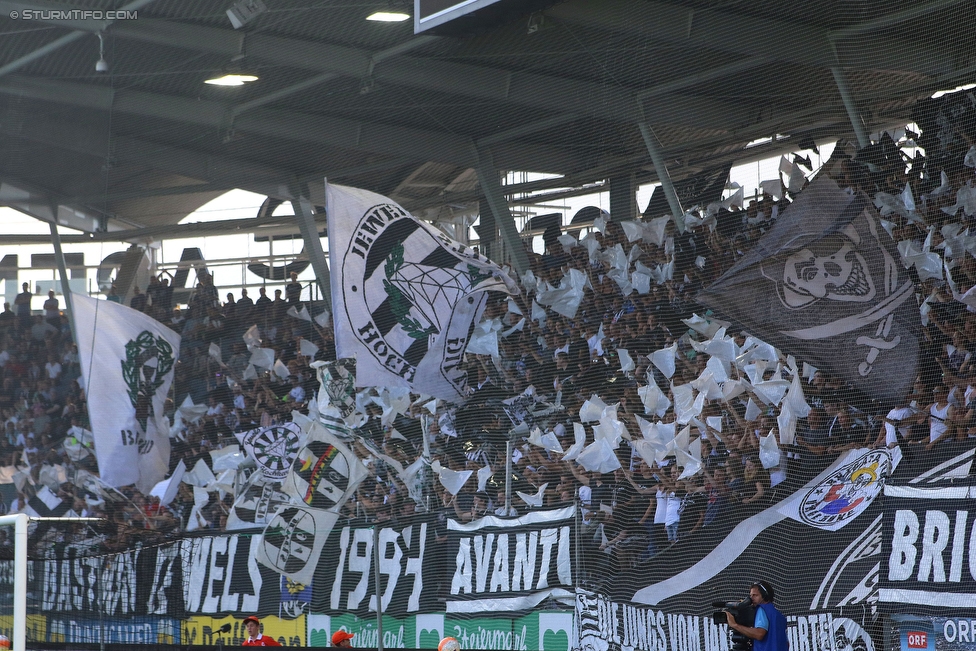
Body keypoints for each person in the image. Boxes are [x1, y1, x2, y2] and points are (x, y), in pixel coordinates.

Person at [725, 581, 789, 651]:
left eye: (755, 595)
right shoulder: (779, 615)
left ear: (765, 596)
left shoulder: (761, 609)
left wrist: (734, 625)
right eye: (751, 595)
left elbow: (759, 634)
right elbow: (787, 643)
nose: (751, 598)